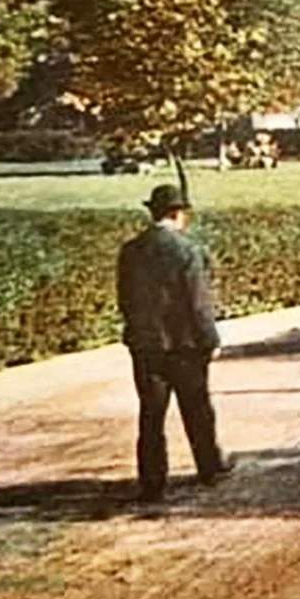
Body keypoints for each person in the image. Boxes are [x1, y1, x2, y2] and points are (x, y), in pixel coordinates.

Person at [117, 183, 230, 504]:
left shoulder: (131, 250)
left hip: (146, 344)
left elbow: (125, 299)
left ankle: (152, 481)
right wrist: (210, 339)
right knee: (196, 407)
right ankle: (209, 466)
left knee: (151, 413)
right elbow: (198, 303)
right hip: (185, 345)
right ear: (178, 214)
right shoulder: (187, 250)